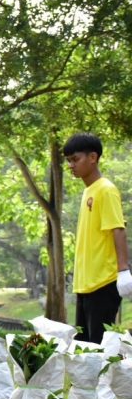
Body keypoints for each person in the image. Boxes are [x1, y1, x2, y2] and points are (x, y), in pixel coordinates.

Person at [64, 132, 131, 343]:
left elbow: (117, 229)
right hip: (86, 284)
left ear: (92, 157)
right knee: (85, 349)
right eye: (68, 161)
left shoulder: (106, 190)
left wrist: (123, 270)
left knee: (99, 348)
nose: (71, 166)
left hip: (103, 282)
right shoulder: (88, 191)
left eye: (75, 159)